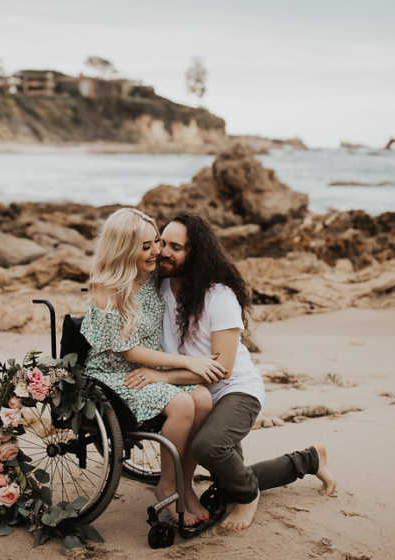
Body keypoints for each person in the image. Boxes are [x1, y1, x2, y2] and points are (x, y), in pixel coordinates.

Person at [124, 211, 337, 531]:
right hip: (192, 392)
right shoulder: (160, 286)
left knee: (209, 448)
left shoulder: (218, 296)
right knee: (222, 484)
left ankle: (248, 496)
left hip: (234, 389)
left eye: (176, 247)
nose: (163, 252)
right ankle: (309, 459)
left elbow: (222, 369)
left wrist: (164, 376)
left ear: (195, 254)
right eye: (161, 242)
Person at [79, 207, 223, 526]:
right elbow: (130, 352)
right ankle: (166, 487)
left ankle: (185, 486)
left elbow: (191, 266)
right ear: (124, 249)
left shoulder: (151, 276)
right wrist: (188, 361)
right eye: (146, 246)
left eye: (156, 242)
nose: (156, 251)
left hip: (147, 368)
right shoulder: (107, 288)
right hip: (112, 375)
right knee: (184, 404)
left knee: (203, 398)